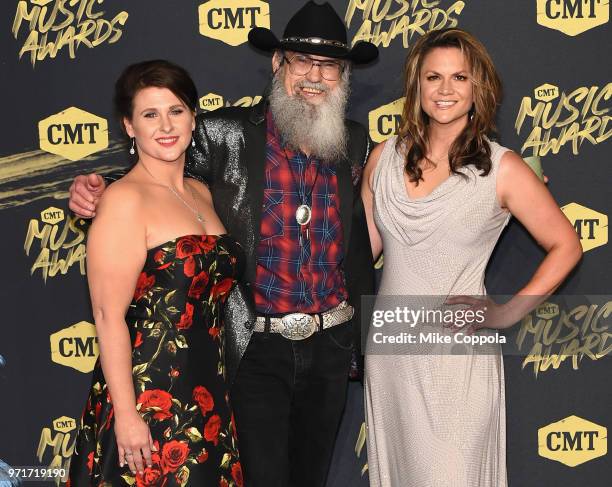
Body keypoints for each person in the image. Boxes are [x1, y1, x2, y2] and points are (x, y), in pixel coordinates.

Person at [68, 2, 378, 486]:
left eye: (329, 66)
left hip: (329, 346)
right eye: (301, 61)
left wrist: (362, 342)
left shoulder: (355, 142)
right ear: (278, 64)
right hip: (253, 345)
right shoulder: (224, 133)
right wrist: (98, 188)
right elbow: (158, 173)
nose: (314, 75)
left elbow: (358, 238)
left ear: (343, 76)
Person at [361, 28, 582, 487]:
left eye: (459, 77)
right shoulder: (382, 159)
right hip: (391, 355)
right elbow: (358, 256)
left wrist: (505, 313)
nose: (445, 90)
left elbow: (567, 245)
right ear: (416, 86)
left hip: (455, 358)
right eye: (433, 77)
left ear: (478, 87)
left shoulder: (503, 169)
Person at [68, 60, 243, 486]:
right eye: (150, 114)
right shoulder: (123, 200)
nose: (165, 125)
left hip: (208, 392)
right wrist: (126, 416)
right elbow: (109, 317)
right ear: (129, 126)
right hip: (149, 396)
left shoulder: (202, 193)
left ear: (194, 117)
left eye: (176, 111)